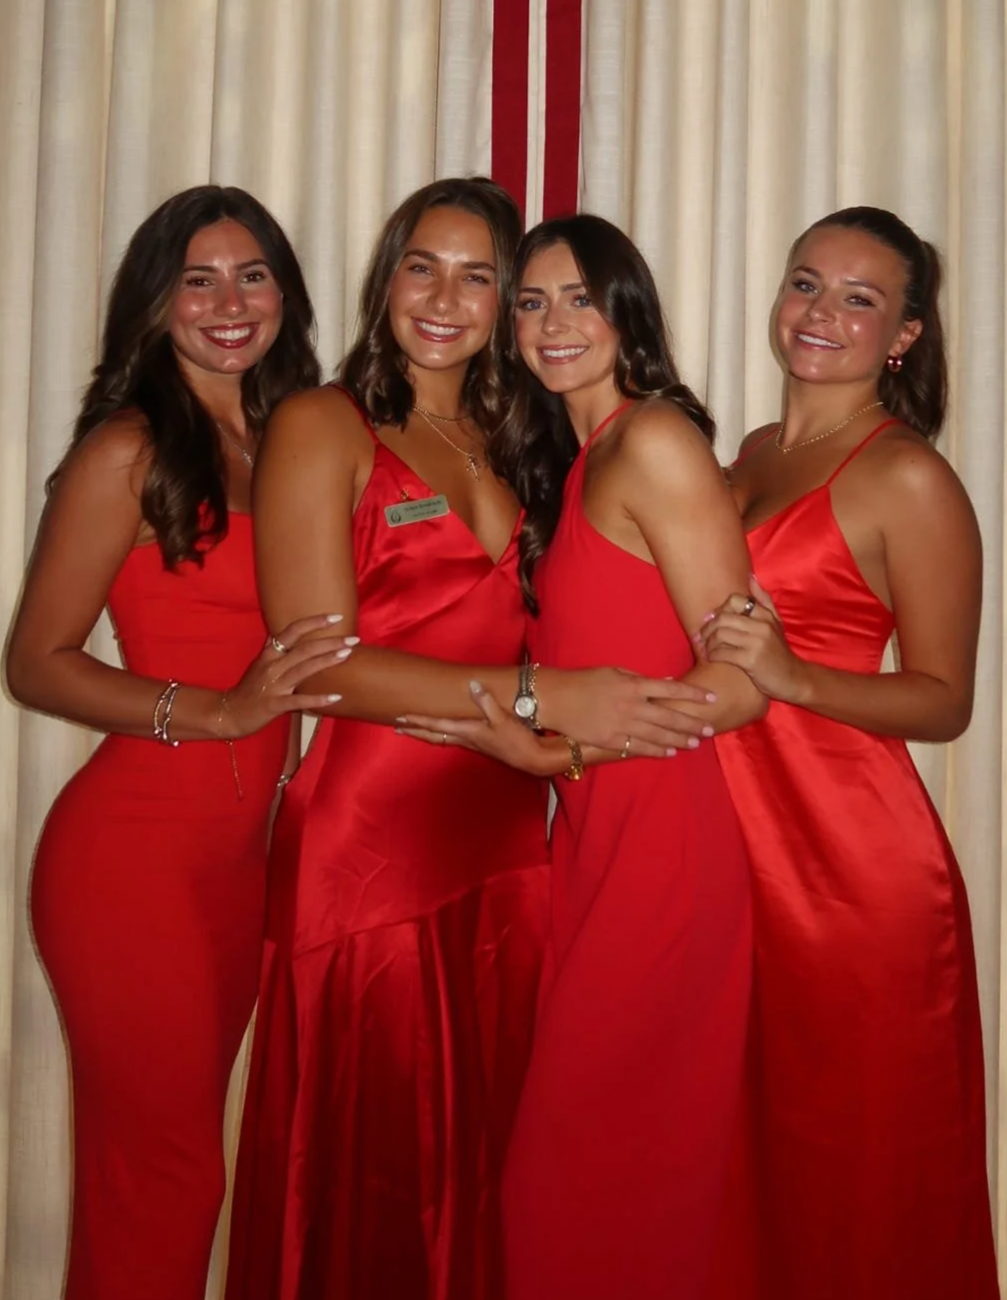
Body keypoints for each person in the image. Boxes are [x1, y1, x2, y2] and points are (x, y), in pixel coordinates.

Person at [225, 183, 718, 1300]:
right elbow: (322, 664)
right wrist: (544, 693)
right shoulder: (321, 421)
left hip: (510, 834)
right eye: (421, 266)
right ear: (383, 278)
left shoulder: (518, 431)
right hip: (374, 847)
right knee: (371, 1176)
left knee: (494, 1167)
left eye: (478, 275)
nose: (446, 297)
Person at [397, 214, 766, 1300]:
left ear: (628, 313)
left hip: (667, 856)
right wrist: (550, 751)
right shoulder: (570, 464)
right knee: (599, 1177)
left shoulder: (653, 440)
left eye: (581, 298)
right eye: (532, 300)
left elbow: (745, 672)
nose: (555, 322)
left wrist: (570, 744)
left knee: (583, 1177)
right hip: (595, 847)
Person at [7, 186, 349, 1300]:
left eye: (252, 274)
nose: (227, 301)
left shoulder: (298, 436)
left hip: (242, 863)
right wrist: (216, 709)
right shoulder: (130, 446)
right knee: (163, 1173)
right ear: (154, 304)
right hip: (133, 860)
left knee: (183, 1164)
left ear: (285, 295)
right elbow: (37, 657)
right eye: (196, 278)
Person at [697, 206, 1000, 1299]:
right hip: (735, 854)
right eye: (805, 283)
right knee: (750, 1160)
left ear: (904, 334)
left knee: (859, 1173)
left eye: (858, 298)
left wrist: (795, 676)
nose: (821, 314)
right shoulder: (749, 453)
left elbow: (946, 698)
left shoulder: (906, 475)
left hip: (851, 870)